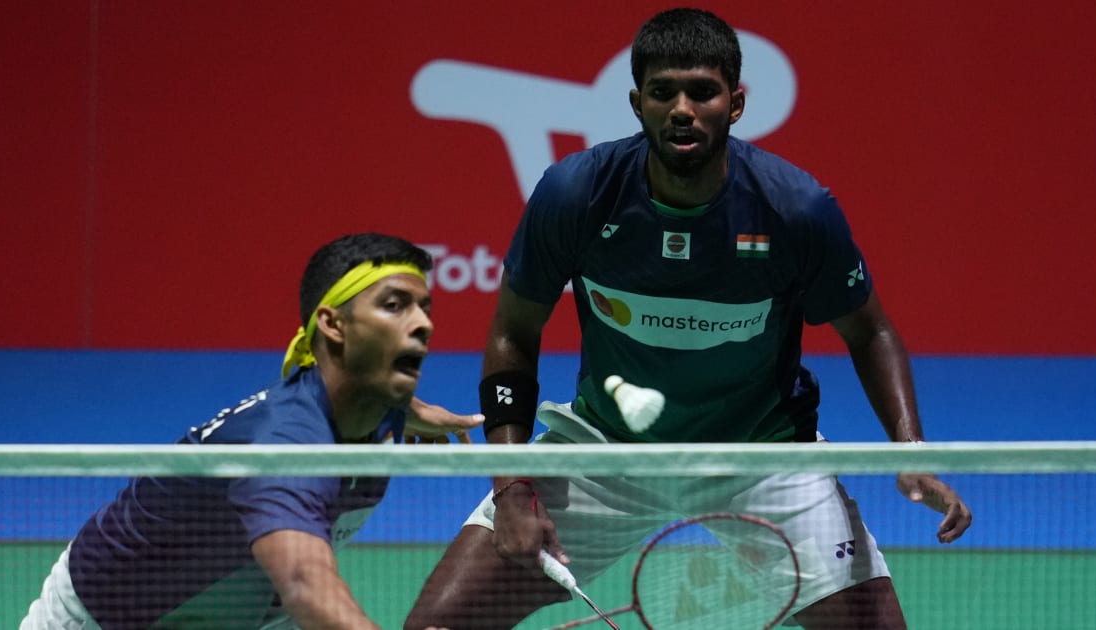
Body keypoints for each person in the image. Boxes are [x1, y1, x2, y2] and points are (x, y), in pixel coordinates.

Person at [403, 8, 972, 630]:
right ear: (637, 103)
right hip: (607, 453)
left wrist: (911, 450)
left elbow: (871, 331)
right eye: (662, 92)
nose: (682, 109)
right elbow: (513, 334)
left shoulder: (795, 209)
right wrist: (513, 488)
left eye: (702, 91)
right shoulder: (577, 194)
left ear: (736, 104)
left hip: (761, 458)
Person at [21, 232, 478, 630]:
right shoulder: (283, 450)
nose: (424, 323)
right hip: (113, 619)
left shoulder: (372, 400)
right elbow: (304, 583)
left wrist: (416, 411)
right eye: (395, 306)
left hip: (236, 611)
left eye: (424, 308)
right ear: (333, 324)